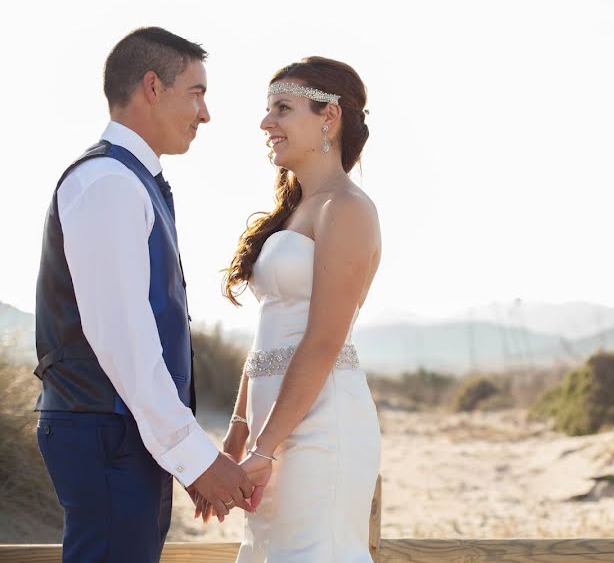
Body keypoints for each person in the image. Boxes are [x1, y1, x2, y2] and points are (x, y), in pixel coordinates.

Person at [33, 27, 257, 563]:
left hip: (122, 432)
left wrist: (182, 457)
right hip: (106, 430)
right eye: (197, 92)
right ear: (152, 86)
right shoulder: (107, 182)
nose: (205, 114)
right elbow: (124, 340)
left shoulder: (130, 179)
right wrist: (195, 456)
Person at [215, 56, 382, 562]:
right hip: (274, 425)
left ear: (328, 118)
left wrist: (265, 447)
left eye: (282, 109)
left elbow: (322, 340)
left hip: (321, 426)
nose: (267, 124)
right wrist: (238, 434)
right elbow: (269, 333)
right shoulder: (295, 211)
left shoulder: (348, 208)